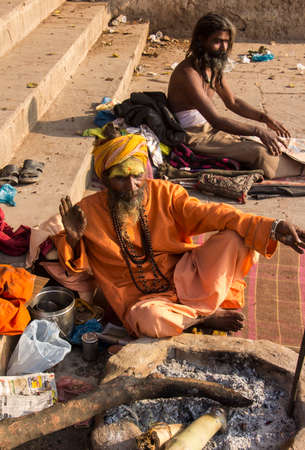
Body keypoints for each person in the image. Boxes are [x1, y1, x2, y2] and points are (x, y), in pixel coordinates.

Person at [54, 134, 305, 338]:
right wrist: (74, 238)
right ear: (106, 178)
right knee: (148, 320)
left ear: (146, 172)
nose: (131, 186)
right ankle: (204, 317)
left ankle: (190, 311)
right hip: (142, 300)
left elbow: (214, 213)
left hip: (187, 275)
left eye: (137, 175)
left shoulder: (165, 193)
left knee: (237, 237)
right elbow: (78, 269)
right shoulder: (87, 211)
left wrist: (273, 226)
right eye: (121, 178)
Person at [167, 13, 304, 179]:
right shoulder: (188, 73)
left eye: (226, 42)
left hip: (209, 130)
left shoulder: (212, 66)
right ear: (201, 40)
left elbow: (233, 102)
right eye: (217, 41)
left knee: (281, 144)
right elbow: (215, 119)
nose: (224, 48)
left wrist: (265, 119)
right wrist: (258, 131)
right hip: (192, 136)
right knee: (260, 153)